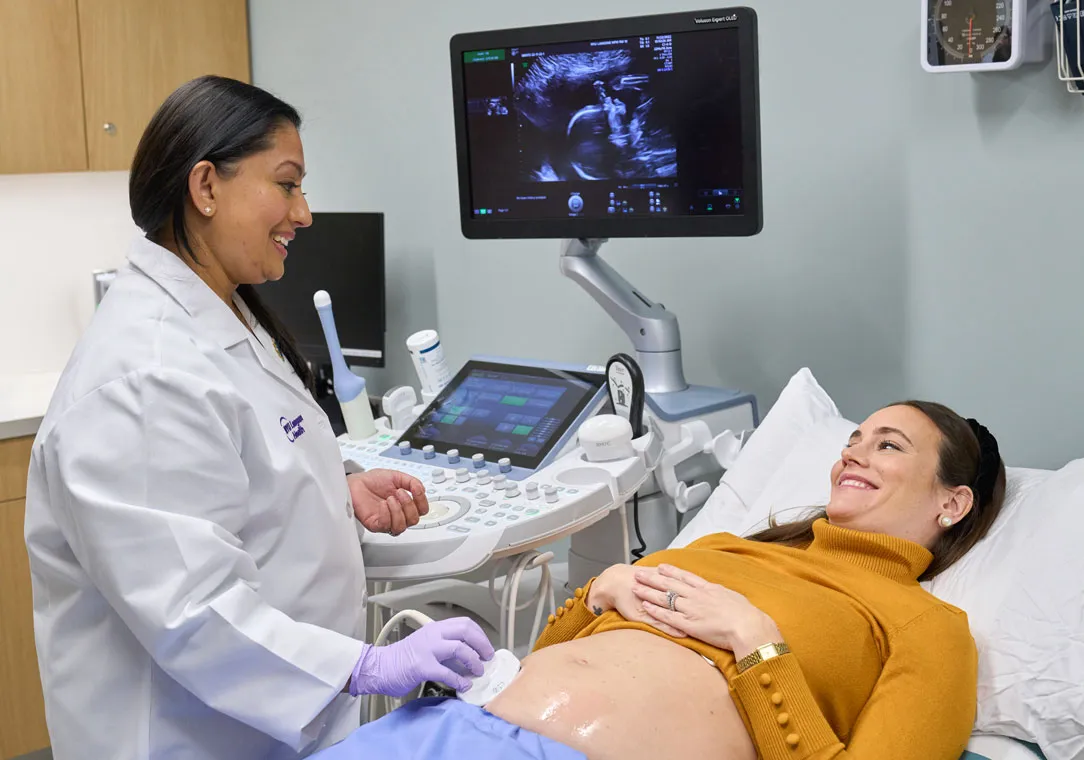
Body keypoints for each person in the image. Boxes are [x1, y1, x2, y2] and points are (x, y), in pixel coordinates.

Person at [23, 75, 493, 760]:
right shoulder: (144, 375)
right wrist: (360, 668)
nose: (303, 213)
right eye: (287, 183)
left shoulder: (227, 317)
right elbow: (192, 612)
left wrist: (334, 490)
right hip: (182, 737)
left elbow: (244, 464)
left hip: (265, 726)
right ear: (206, 186)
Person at [313, 399, 1005, 760]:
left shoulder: (927, 629)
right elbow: (563, 653)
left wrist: (756, 644)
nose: (853, 454)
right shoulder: (727, 547)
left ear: (952, 502)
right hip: (450, 726)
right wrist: (598, 593)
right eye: (854, 438)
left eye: (888, 445)